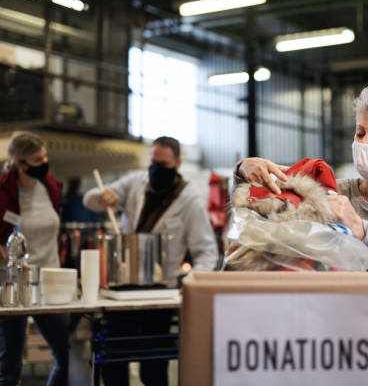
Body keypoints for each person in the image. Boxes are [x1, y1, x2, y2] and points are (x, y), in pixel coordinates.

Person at [236, 80, 368, 305]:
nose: (365, 143)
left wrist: (360, 228)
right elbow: (260, 218)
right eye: (360, 133)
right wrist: (243, 170)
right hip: (333, 326)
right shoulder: (331, 191)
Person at [83, 136, 218, 386]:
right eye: (153, 162)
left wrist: (191, 282)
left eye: (163, 164)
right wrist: (105, 195)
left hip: (161, 292)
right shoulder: (136, 182)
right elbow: (90, 199)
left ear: (177, 163)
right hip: (123, 287)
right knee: (114, 362)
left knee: (154, 368)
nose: (156, 169)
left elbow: (207, 251)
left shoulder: (190, 200)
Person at [0, 132, 70, 386]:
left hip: (49, 278)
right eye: (37, 159)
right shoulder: (3, 190)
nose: (44, 162)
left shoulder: (50, 185)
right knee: (10, 363)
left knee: (64, 355)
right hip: (13, 282)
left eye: (45, 157)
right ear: (20, 163)